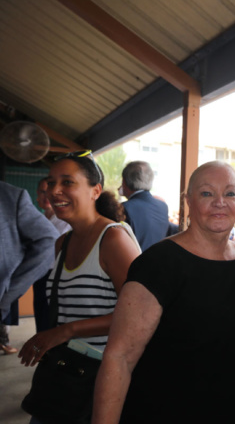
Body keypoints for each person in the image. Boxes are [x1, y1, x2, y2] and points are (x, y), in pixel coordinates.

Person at [93, 161, 235, 423]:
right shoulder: (160, 263)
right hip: (168, 410)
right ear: (188, 201)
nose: (220, 202)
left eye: (230, 193)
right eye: (207, 193)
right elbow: (119, 358)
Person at [18, 150, 140, 423]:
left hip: (102, 379)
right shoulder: (62, 244)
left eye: (67, 182)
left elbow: (138, 315)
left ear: (95, 190)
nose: (54, 190)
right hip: (65, 375)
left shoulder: (113, 239)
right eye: (50, 182)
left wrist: (64, 332)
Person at [0, 181, 57, 354]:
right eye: (42, 192)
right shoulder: (42, 216)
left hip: (48, 278)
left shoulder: (10, 198)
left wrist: (10, 290)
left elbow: (48, 242)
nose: (46, 196)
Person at [32, 178, 72, 332]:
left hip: (57, 274)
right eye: (42, 192)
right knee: (41, 317)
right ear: (37, 194)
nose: (46, 196)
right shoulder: (38, 219)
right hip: (39, 274)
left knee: (52, 319)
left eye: (48, 192)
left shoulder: (64, 220)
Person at [120, 161, 170, 251]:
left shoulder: (124, 208)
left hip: (134, 263)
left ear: (125, 182)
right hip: (160, 263)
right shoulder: (163, 206)